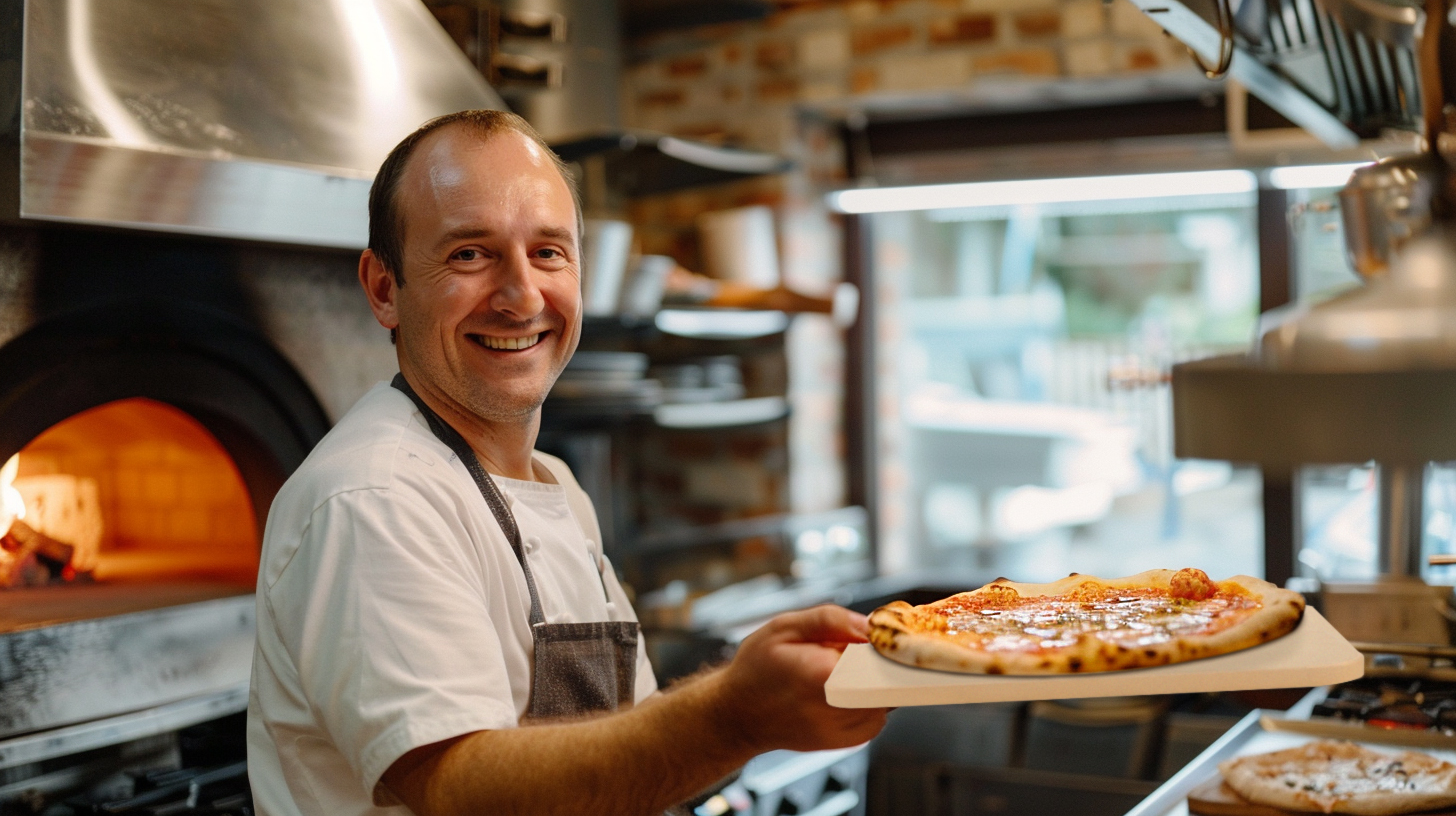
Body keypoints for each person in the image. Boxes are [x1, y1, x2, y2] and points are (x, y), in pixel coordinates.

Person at [246, 109, 889, 816]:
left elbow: (622, 750)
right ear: (384, 289)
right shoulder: (374, 498)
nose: (522, 296)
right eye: (469, 254)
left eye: (549, 252)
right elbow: (460, 791)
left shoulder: (555, 486)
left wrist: (742, 705)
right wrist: (729, 717)